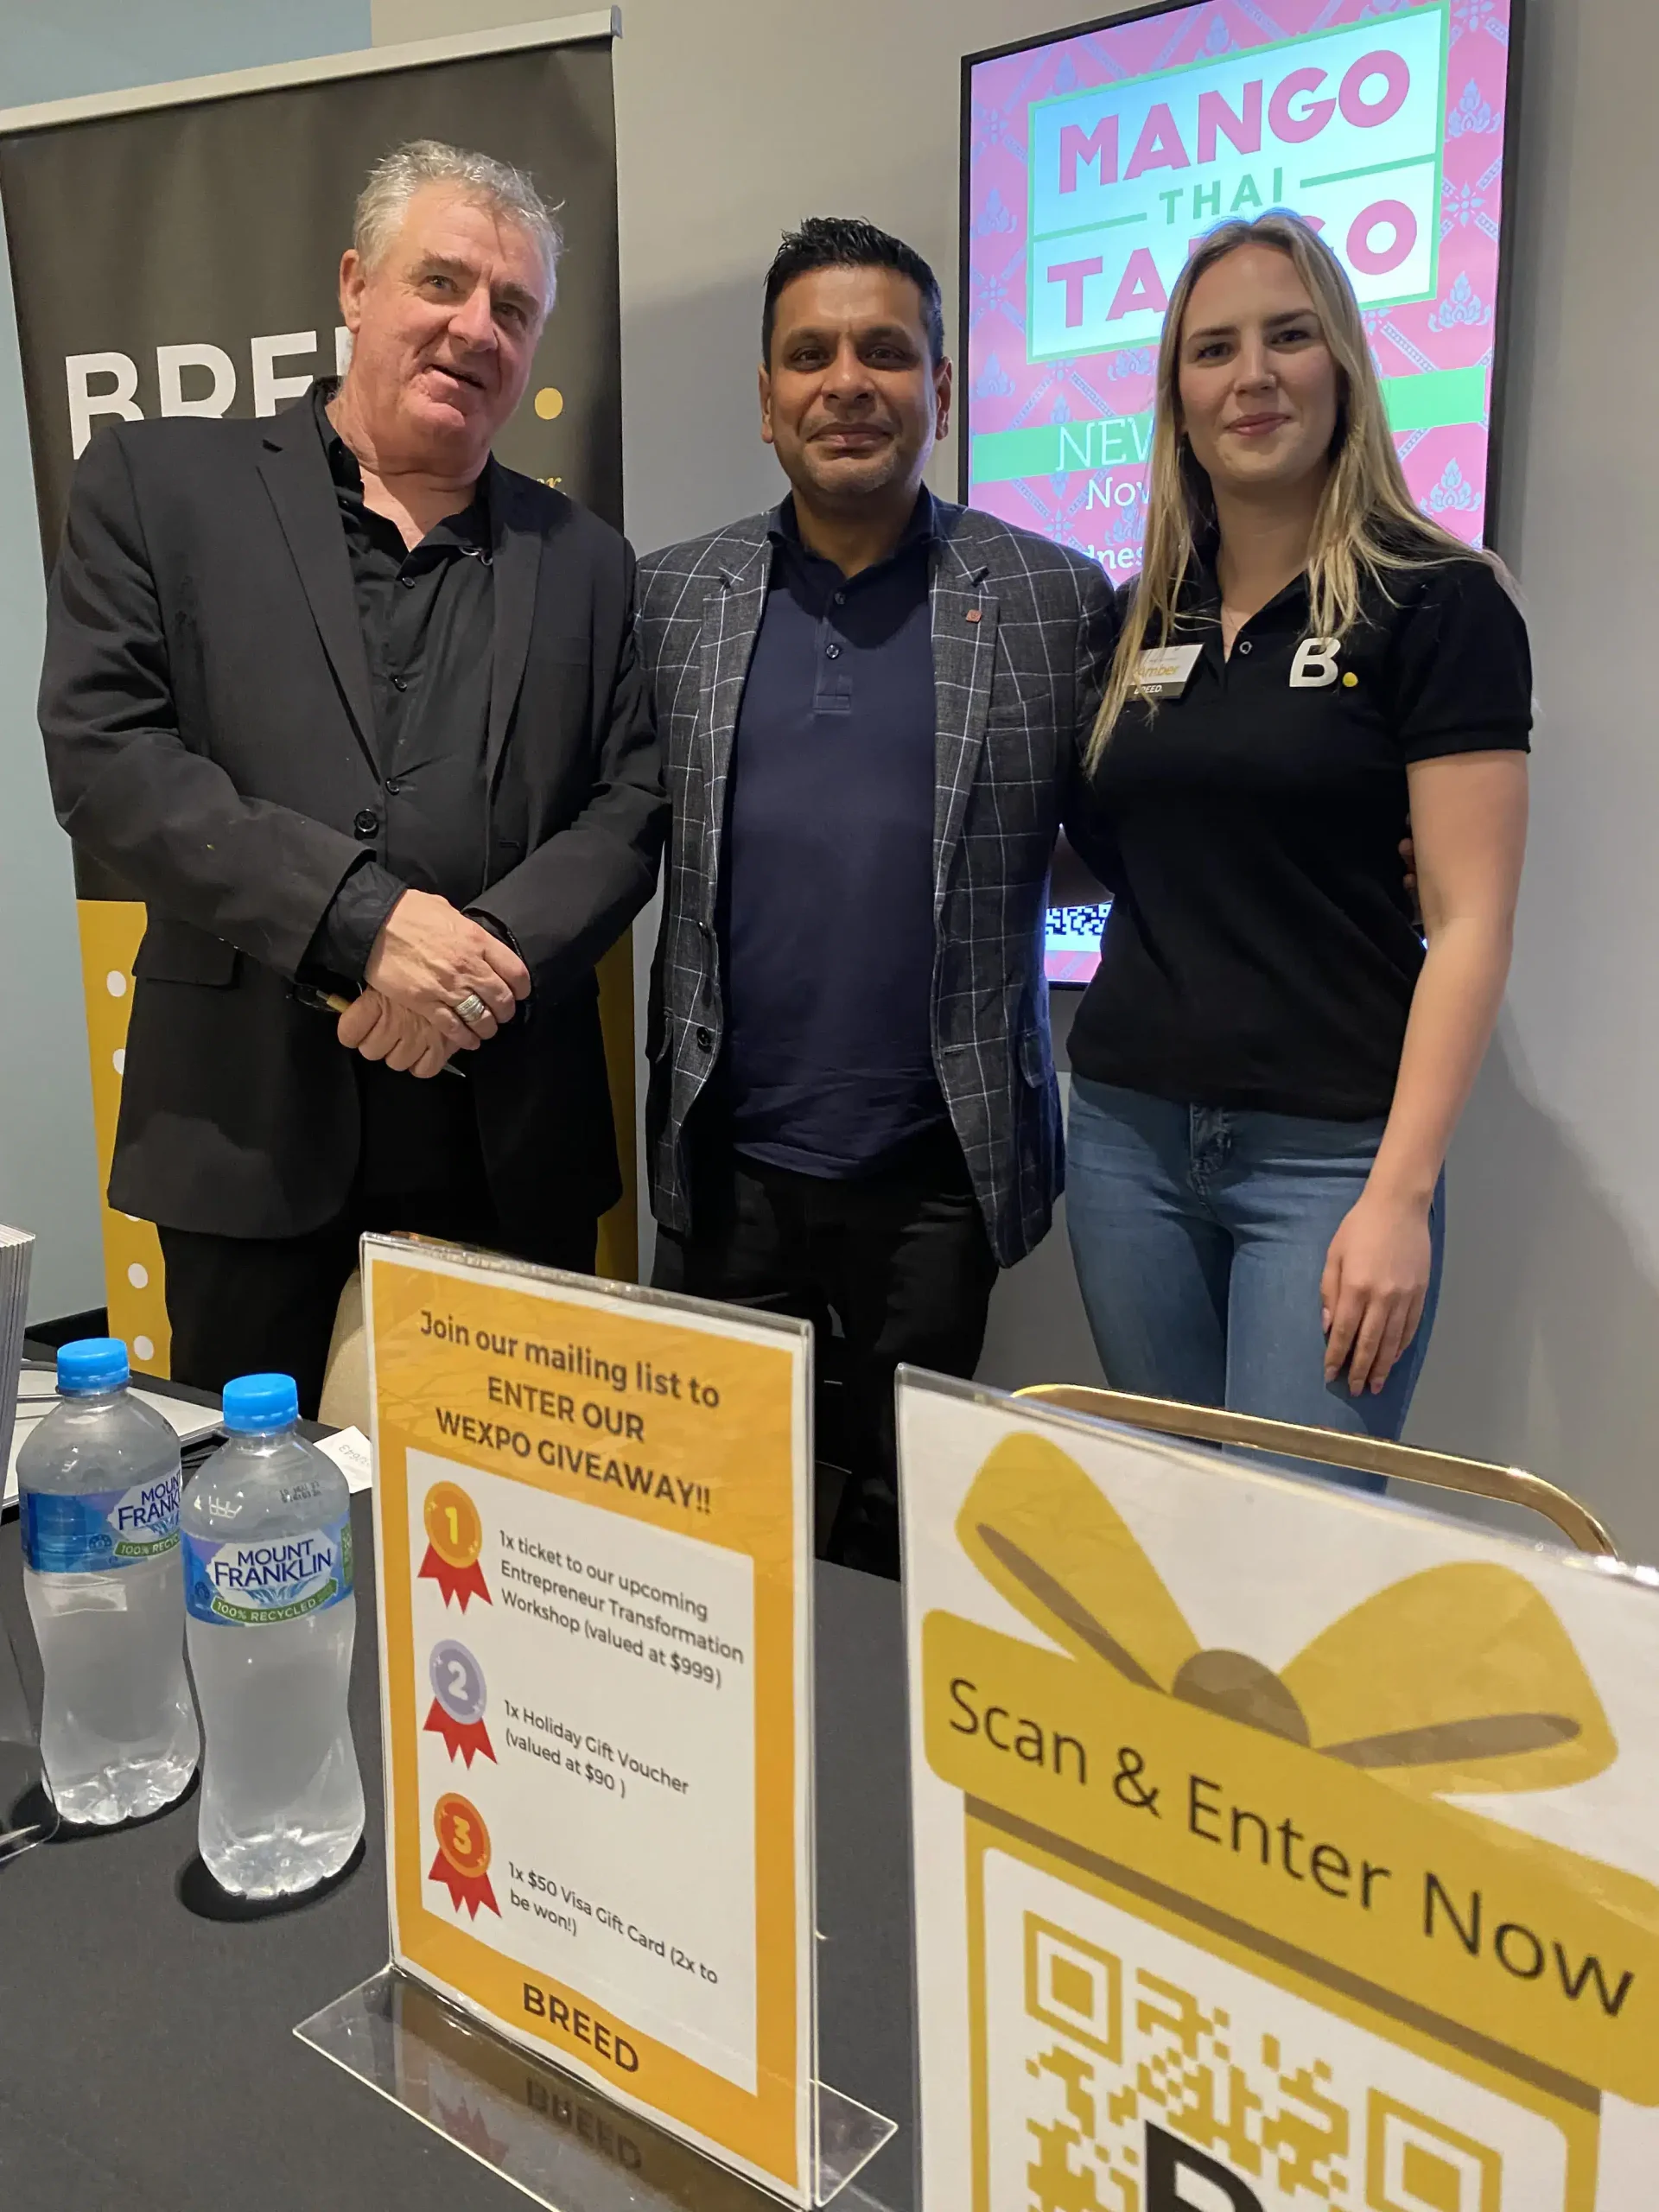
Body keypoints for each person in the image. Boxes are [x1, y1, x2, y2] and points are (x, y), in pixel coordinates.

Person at [40, 140, 664, 1414]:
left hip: (505, 1138)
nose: (474, 328)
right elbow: (106, 754)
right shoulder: (160, 487)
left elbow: (632, 803)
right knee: (249, 1533)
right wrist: (366, 926)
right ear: (354, 288)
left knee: (498, 1548)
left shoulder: (591, 561)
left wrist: (472, 959)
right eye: (441, 281)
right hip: (244, 1127)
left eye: (514, 308)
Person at [637, 218, 1113, 1576]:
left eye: (887, 352)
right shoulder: (673, 599)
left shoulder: (1050, 597)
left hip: (935, 1175)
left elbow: (1126, 818)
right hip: (726, 1162)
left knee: (914, 1537)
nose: (848, 380)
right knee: (717, 1538)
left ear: (943, 393)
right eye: (811, 355)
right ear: (767, 403)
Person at [1063, 213, 1530, 1467]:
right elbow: (1115, 848)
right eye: (1213, 350)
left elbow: (1474, 922)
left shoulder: (1438, 600)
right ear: (1178, 395)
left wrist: (1402, 1194)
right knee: (1170, 1527)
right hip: (1124, 1137)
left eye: (1289, 336)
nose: (1252, 375)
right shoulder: (1133, 618)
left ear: (1345, 367)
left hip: (1329, 1159)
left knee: (1291, 1568)